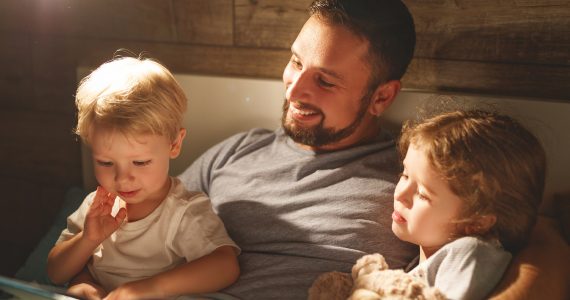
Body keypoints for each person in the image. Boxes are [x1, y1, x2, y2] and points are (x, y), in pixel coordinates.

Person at [178, 0, 418, 299]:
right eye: (296, 62)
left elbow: (474, 262)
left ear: (381, 97)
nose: (293, 91)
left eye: (325, 81)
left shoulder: (412, 178)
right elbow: (134, 226)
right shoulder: (236, 152)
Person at [47, 56, 240, 300]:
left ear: (174, 144)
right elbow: (55, 272)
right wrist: (88, 243)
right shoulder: (97, 207)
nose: (122, 179)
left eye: (140, 162)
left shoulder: (183, 212)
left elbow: (225, 266)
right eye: (105, 163)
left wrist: (146, 289)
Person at [393, 110, 546, 299]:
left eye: (423, 195)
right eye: (405, 175)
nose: (400, 194)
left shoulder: (472, 253)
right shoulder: (431, 260)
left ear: (477, 222)